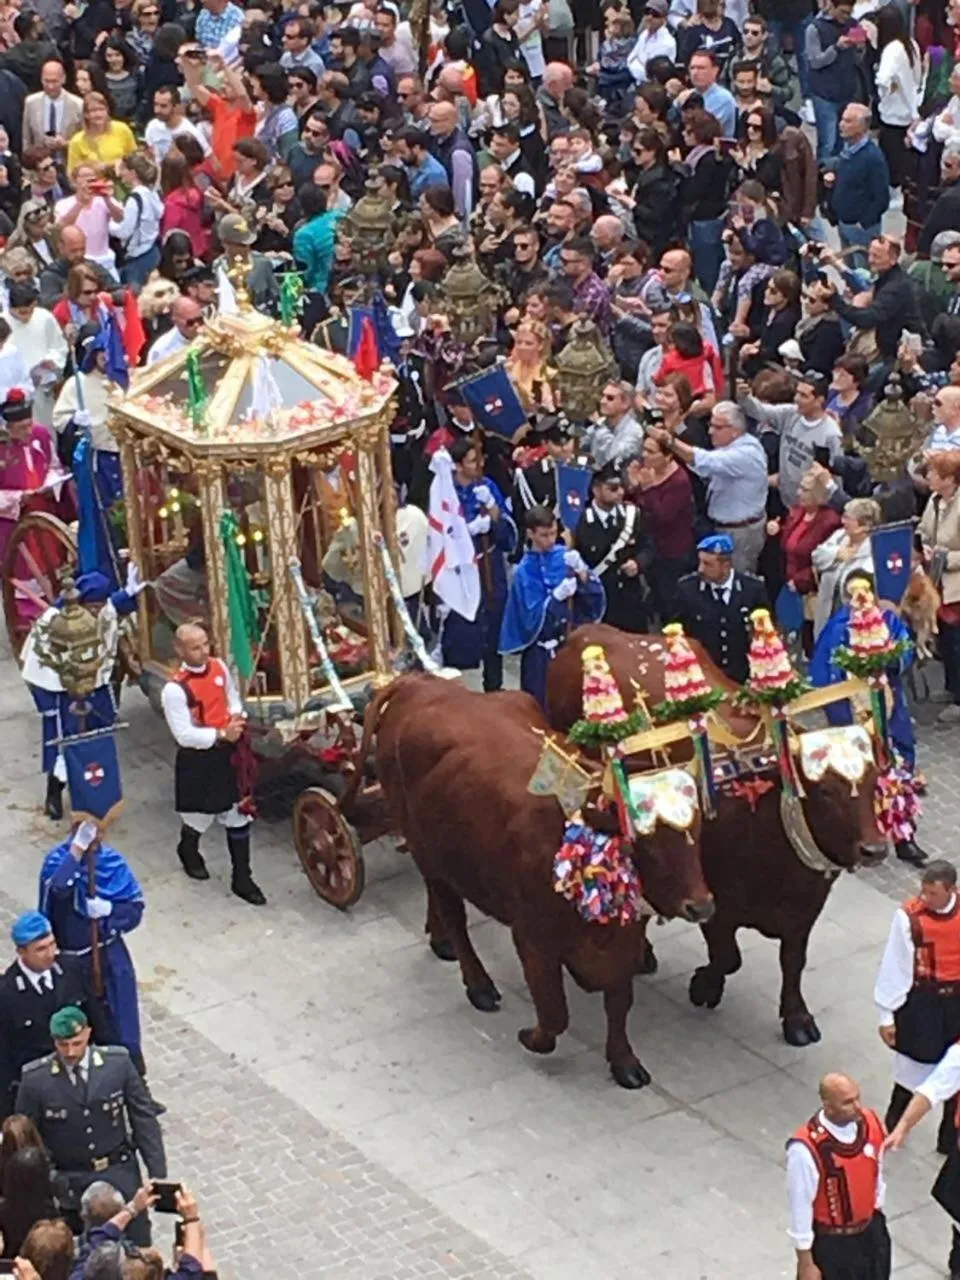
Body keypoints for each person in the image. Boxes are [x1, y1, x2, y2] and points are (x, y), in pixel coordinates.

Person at [14, 1006, 165, 1246]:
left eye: (76, 1042)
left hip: (118, 1168)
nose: (71, 1052)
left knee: (138, 1244)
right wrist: (49, 1178)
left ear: (88, 1034)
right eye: (63, 1045)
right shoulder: (36, 1080)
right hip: (71, 1177)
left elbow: (143, 1117)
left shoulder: (117, 1064)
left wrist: (158, 1173)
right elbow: (25, 1135)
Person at [38, 826, 160, 1107]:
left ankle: (137, 1091)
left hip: (108, 953)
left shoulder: (112, 862)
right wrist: (75, 854)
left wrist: (110, 912)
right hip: (72, 959)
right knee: (79, 1022)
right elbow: (57, 889)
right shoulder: (58, 860)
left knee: (123, 1021)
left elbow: (134, 909)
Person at [160, 622, 266, 905]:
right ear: (180, 649)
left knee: (239, 814)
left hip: (230, 754)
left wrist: (236, 717)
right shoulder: (174, 690)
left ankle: (242, 877)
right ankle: (188, 847)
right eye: (195, 647)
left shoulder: (219, 667)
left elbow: (230, 697)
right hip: (201, 759)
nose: (203, 651)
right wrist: (220, 734)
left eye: (205, 644)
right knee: (200, 817)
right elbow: (183, 734)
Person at [875, 859, 960, 1158]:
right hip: (924, 1001)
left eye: (932, 893)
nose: (925, 899)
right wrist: (886, 1015)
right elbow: (895, 966)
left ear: (951, 890)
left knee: (957, 1073)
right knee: (912, 1070)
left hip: (958, 1000)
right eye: (923, 891)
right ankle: (894, 1127)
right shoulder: (908, 918)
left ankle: (950, 1141)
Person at [0, 911, 115, 1120]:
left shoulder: (70, 968)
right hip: (41, 1088)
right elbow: (5, 1057)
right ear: (21, 952)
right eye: (41, 949)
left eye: (52, 944)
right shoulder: (7, 993)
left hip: (82, 1076)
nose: (51, 953)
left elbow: (96, 1018)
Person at [786, 1072, 890, 1280]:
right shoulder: (806, 1148)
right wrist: (806, 1261)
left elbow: (876, 1170)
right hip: (833, 1243)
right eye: (847, 1102)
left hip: (871, 1232)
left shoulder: (871, 1123)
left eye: (857, 1098)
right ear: (827, 1104)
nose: (857, 1106)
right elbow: (800, 1205)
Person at [499, 503, 605, 705]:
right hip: (541, 655)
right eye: (544, 535)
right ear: (530, 534)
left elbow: (594, 599)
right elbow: (531, 619)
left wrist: (583, 574)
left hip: (570, 644)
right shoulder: (523, 571)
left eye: (554, 533)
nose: (550, 539)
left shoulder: (565, 557)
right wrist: (556, 597)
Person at [649, 402, 769, 574]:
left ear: (735, 430)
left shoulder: (746, 454)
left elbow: (704, 461)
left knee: (734, 581)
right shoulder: (729, 446)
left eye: (717, 427)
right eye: (710, 425)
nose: (710, 431)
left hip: (740, 533)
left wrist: (668, 440)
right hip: (721, 527)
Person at [439, 437, 517, 691]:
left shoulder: (487, 485)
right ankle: (457, 687)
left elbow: (505, 528)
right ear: (459, 466)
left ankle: (494, 685)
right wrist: (468, 530)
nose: (479, 464)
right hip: (460, 568)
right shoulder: (445, 492)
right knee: (462, 629)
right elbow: (441, 530)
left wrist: (492, 508)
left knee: (494, 622)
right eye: (473, 461)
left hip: (489, 566)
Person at [738, 370, 842, 509]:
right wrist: (744, 397)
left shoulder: (830, 434)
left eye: (804, 396)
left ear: (819, 400)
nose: (797, 399)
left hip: (809, 507)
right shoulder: (791, 414)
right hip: (784, 499)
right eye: (797, 393)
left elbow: (835, 478)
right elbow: (760, 411)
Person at [672, 532, 767, 682]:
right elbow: (677, 634)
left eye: (708, 564)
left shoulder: (752, 589)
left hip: (743, 677)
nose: (701, 569)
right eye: (700, 562)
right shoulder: (687, 590)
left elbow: (764, 635)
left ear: (726, 565)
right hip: (703, 676)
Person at [919, 450, 960, 723]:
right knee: (945, 639)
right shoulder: (934, 501)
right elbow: (924, 529)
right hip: (936, 584)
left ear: (949, 478)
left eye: (933, 473)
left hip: (956, 585)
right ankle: (950, 686)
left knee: (957, 643)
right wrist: (923, 544)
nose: (928, 477)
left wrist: (944, 557)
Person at [824, 105, 891, 267]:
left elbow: (881, 198)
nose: (841, 124)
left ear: (862, 127)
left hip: (861, 229)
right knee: (847, 272)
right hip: (843, 223)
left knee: (863, 275)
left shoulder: (872, 158)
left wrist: (862, 222)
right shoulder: (847, 150)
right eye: (842, 119)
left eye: (848, 121)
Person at [811, 498, 882, 638]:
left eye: (849, 518)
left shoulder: (874, 549)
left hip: (854, 619)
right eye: (844, 516)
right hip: (826, 613)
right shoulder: (839, 537)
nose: (843, 521)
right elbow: (817, 555)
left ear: (865, 526)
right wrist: (837, 554)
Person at [805, 0, 861, 162]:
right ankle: (822, 179)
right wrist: (836, 48)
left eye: (849, 13)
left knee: (844, 141)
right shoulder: (814, 28)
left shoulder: (853, 25)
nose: (846, 17)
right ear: (832, 7)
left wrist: (859, 47)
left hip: (847, 91)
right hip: (824, 94)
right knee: (827, 143)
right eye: (843, 12)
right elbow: (815, 61)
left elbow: (857, 60)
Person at [22, 61, 83, 158]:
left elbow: (84, 140)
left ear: (63, 79)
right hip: (40, 165)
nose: (50, 86)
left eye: (54, 81)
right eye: (46, 81)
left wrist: (65, 144)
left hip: (68, 161)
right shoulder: (31, 102)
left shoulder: (78, 104)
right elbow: (26, 139)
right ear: (41, 79)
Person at [145, 296, 203, 365]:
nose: (197, 325)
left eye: (199, 319)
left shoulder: (210, 334)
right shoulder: (161, 349)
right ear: (176, 321)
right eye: (190, 322)